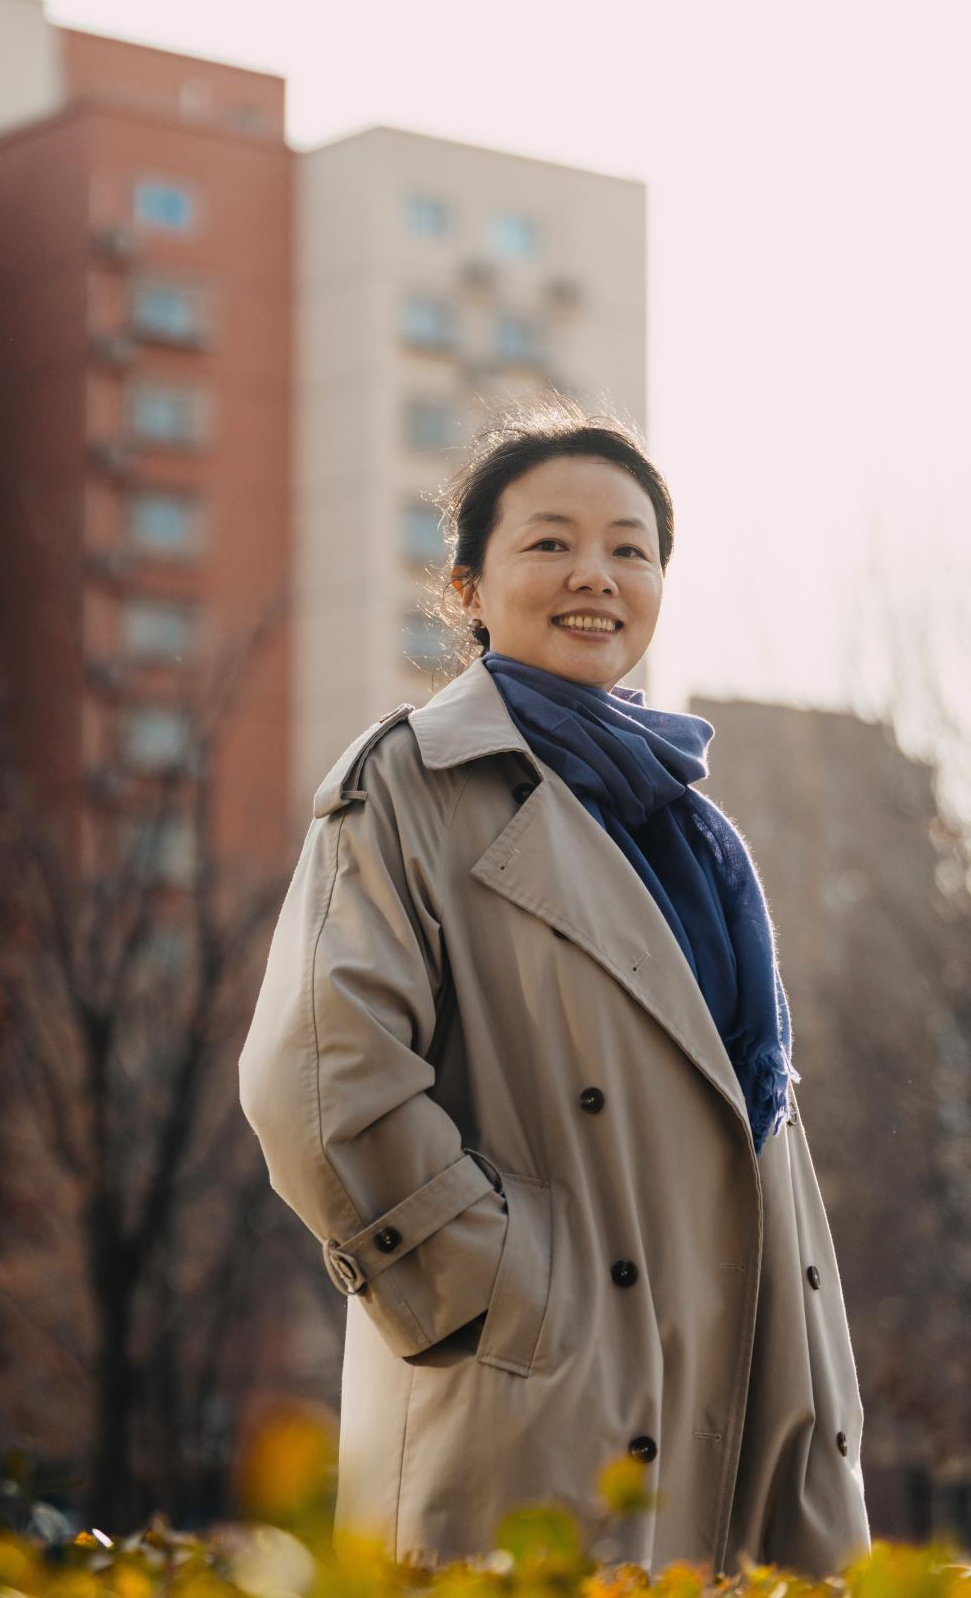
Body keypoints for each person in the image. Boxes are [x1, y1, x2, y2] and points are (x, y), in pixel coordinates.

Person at [237, 400, 870, 1579]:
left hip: (740, 1386)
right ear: (468, 586)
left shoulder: (695, 833)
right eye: (548, 542)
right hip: (540, 1402)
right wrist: (514, 1298)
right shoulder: (412, 784)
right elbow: (316, 1080)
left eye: (631, 547)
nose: (596, 574)